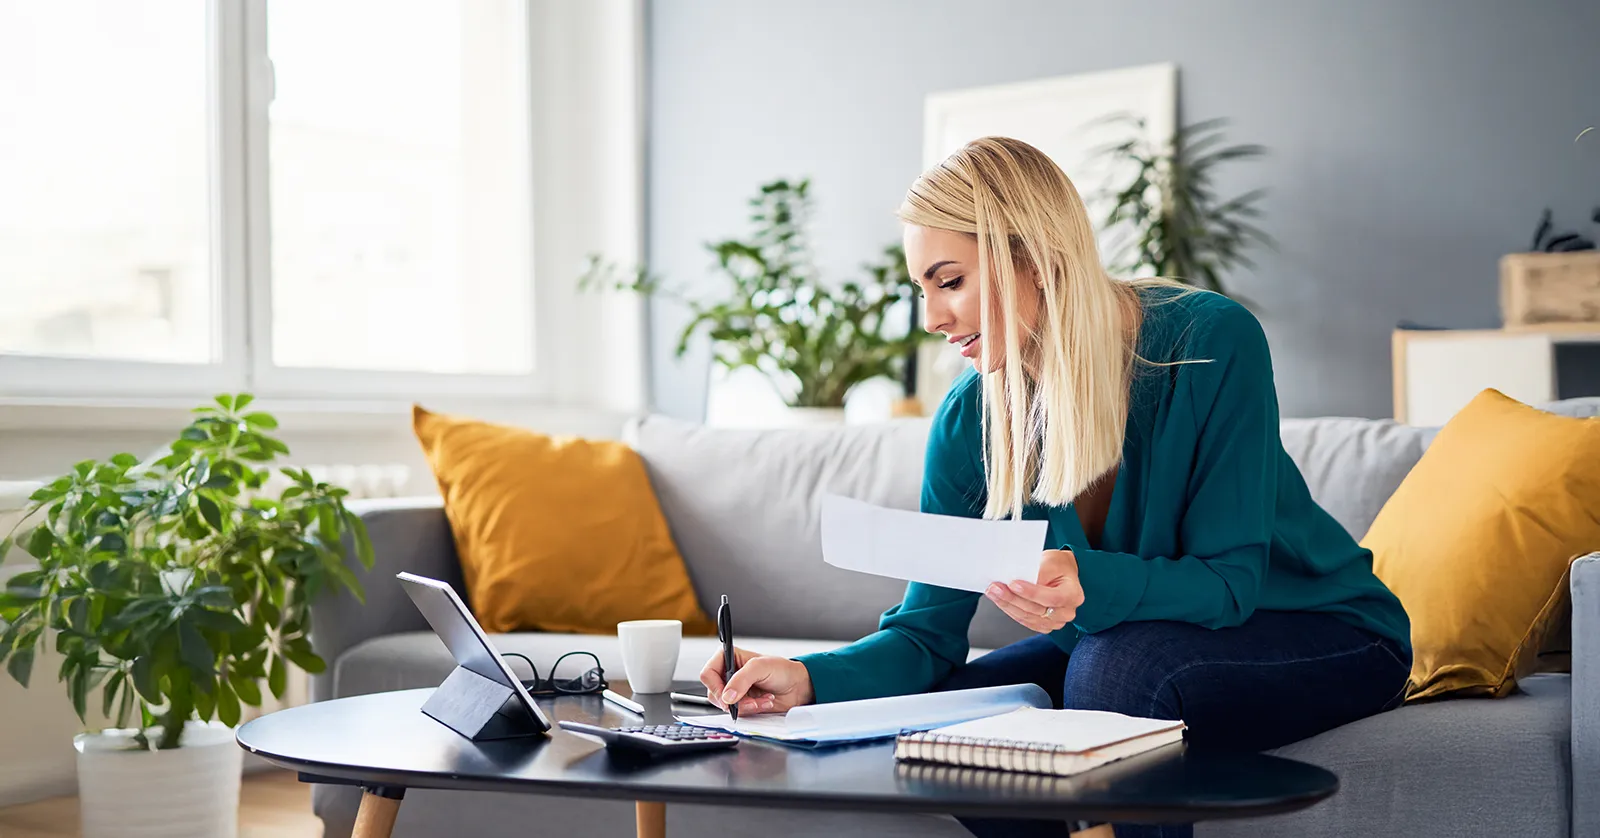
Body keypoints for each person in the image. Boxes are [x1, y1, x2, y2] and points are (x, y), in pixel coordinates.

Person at [699, 137, 1412, 838]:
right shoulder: (969, 418)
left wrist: (1086, 582)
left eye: (950, 282)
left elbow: (1230, 585)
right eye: (922, 289)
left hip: (1327, 632)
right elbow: (927, 634)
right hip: (1132, 640)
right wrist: (806, 677)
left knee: (1115, 670)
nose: (932, 319)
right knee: (947, 734)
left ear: (1035, 259)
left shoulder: (1210, 342)